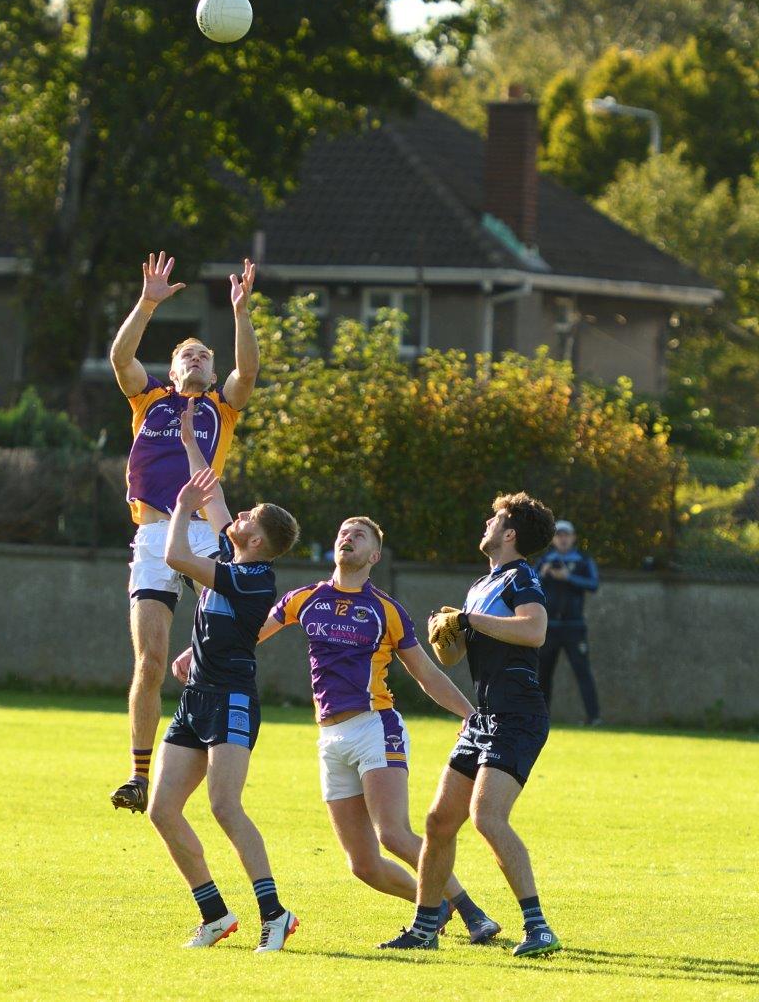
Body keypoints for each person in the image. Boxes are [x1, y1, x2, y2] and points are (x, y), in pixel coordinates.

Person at [256, 516, 501, 944]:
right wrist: (196, 652)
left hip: (376, 727)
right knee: (363, 865)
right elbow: (249, 634)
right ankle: (434, 908)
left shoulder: (385, 609)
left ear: (374, 555)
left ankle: (472, 913)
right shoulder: (305, 598)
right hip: (330, 739)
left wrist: (468, 712)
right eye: (342, 532)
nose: (346, 536)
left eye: (359, 534)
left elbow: (425, 672)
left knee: (392, 834)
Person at [380, 493, 561, 957]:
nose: (487, 522)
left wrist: (469, 619)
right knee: (439, 821)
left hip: (518, 714)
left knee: (487, 817)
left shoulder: (522, 577)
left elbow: (534, 630)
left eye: (494, 519)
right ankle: (424, 929)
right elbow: (456, 655)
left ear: (510, 533)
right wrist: (447, 633)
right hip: (484, 718)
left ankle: (538, 927)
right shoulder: (482, 584)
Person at [110, 251, 260, 814]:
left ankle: (221, 752)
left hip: (203, 535)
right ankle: (138, 773)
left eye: (204, 356)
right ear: (172, 372)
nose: (196, 360)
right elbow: (120, 355)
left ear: (211, 372)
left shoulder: (223, 407)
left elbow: (248, 373)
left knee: (224, 647)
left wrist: (241, 314)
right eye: (187, 356)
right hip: (153, 536)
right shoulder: (148, 400)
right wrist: (148, 302)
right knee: (149, 661)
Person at [148, 402, 300, 951]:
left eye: (246, 519)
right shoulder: (235, 557)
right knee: (161, 809)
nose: (234, 518)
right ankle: (214, 914)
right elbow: (212, 493)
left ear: (256, 539)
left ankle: (274, 913)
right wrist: (191, 442)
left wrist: (182, 509)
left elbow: (175, 555)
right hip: (196, 699)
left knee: (224, 806)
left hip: (232, 698)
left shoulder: (254, 577)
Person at [535, 520, 602, 724]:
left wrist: (568, 577)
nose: (562, 539)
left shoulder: (582, 560)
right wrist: (543, 574)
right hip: (549, 628)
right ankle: (541, 719)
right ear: (553, 539)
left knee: (583, 672)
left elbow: (593, 584)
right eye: (558, 535)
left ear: (573, 538)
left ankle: (594, 718)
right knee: (543, 675)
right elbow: (530, 583)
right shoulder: (545, 560)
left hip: (574, 627)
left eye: (566, 535)